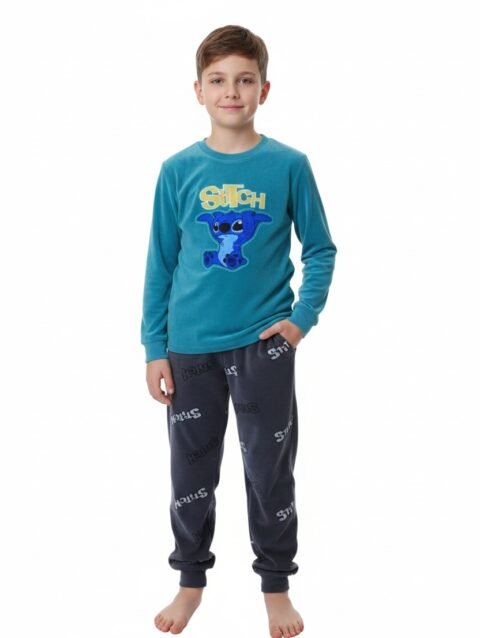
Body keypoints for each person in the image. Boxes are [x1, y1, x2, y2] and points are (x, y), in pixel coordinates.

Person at [141, 24, 337, 638]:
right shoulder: (177, 171)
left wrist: (300, 322)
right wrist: (154, 348)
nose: (232, 91)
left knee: (269, 471)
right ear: (198, 90)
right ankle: (190, 582)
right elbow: (161, 263)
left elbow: (321, 249)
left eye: (245, 80)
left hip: (264, 347)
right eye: (219, 80)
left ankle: (276, 586)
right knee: (190, 474)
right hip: (189, 349)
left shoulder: (289, 166)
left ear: (264, 90)